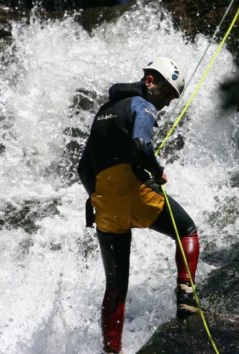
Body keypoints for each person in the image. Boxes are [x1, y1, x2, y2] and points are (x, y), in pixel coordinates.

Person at [77, 57, 200, 354]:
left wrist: (99, 198)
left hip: (104, 204)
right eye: (167, 95)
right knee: (187, 230)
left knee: (116, 286)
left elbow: (83, 168)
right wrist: (157, 172)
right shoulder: (141, 105)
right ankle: (186, 293)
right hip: (137, 191)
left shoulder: (103, 111)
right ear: (149, 81)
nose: (167, 104)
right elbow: (141, 146)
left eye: (171, 98)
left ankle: (112, 350)